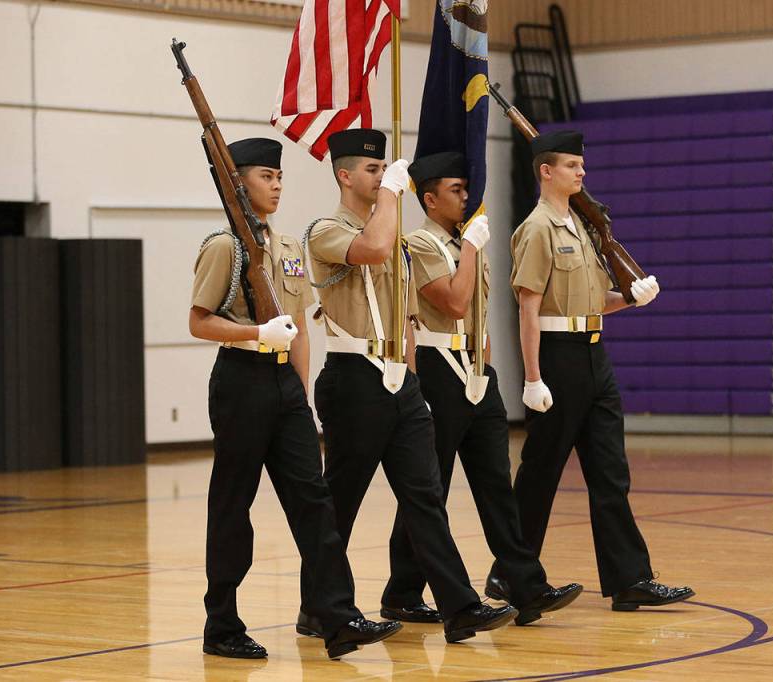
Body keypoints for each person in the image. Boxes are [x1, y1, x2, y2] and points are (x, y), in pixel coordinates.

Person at [295, 129, 515, 644]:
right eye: (371, 171)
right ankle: (319, 608)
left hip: (399, 380)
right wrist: (392, 192)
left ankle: (459, 607)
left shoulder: (394, 235)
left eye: (383, 171)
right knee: (340, 503)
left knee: (425, 496)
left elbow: (408, 318)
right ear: (345, 176)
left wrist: (411, 382)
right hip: (353, 380)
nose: (381, 177)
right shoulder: (325, 230)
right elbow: (370, 249)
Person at [189, 137, 401, 660]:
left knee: (316, 504)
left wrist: (300, 399)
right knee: (233, 507)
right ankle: (222, 625)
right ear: (237, 182)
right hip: (241, 381)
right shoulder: (224, 246)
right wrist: (255, 334)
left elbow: (302, 328)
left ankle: (337, 616)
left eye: (280, 176)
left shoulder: (285, 248)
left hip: (285, 387)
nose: (277, 184)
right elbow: (199, 322)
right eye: (266, 176)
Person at [379, 151, 583, 626]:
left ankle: (525, 585)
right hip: (437, 369)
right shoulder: (420, 243)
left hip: (475, 372)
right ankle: (404, 590)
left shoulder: (469, 241)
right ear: (429, 199)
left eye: (467, 189)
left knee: (497, 487)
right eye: (455, 190)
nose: (467, 197)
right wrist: (469, 248)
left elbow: (480, 314)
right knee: (431, 488)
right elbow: (452, 302)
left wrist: (485, 369)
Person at [496, 130, 695, 611]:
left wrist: (631, 297)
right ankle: (510, 577)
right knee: (540, 474)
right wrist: (532, 377)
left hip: (593, 354)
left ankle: (630, 578)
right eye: (570, 165)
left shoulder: (583, 229)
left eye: (581, 165)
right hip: (557, 358)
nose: (581, 173)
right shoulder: (537, 229)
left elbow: (592, 305)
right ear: (546, 171)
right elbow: (528, 308)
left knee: (610, 471)